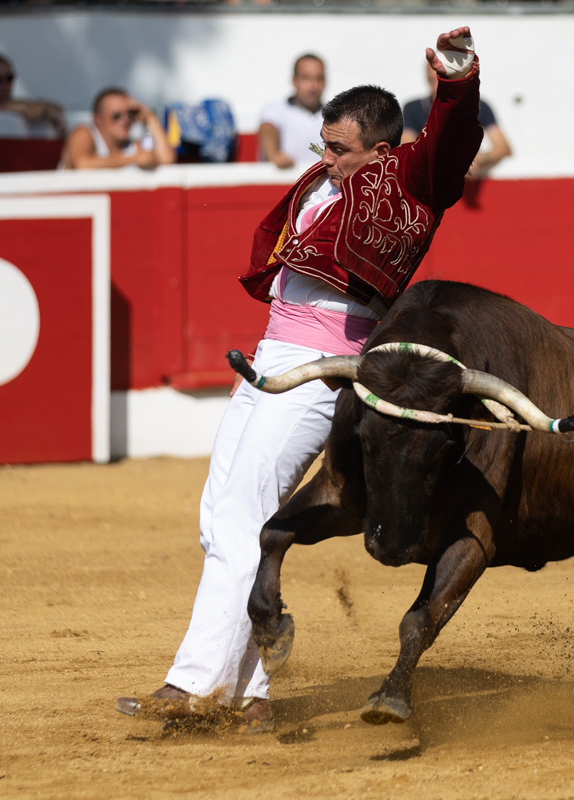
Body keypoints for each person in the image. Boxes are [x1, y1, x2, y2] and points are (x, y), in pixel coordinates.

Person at [114, 27, 484, 731]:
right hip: (274, 356)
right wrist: (262, 366)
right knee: (219, 512)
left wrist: (455, 83)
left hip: (325, 365)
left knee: (243, 516)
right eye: (323, 145)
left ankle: (196, 685)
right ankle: (252, 694)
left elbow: (449, 145)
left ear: (382, 150)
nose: (326, 159)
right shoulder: (325, 179)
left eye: (340, 149)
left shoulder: (408, 180)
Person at [402, 60, 511, 180]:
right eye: (432, 80)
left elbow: (504, 148)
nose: (437, 86)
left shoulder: (478, 106)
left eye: (442, 79)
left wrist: (479, 158)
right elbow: (408, 149)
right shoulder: (413, 109)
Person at [61, 87, 175, 170]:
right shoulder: (83, 132)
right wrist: (133, 159)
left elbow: (166, 159)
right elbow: (83, 164)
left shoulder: (132, 146)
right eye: (116, 116)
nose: (125, 120)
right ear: (97, 119)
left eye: (130, 114)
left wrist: (150, 118)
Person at [258, 54, 326, 169]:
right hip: (288, 185)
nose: (312, 85)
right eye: (306, 78)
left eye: (318, 78)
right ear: (294, 81)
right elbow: (268, 129)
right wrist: (274, 154)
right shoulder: (277, 109)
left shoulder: (335, 115)